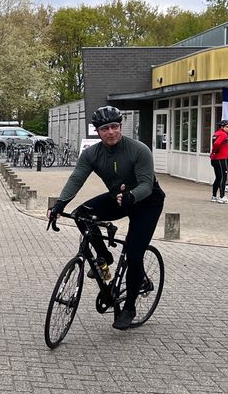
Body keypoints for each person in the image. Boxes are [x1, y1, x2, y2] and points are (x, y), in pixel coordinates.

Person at [47, 106, 166, 330]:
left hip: (147, 202)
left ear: (121, 127)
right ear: (97, 131)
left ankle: (129, 307)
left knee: (134, 255)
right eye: (105, 129)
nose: (110, 132)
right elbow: (76, 179)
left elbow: (146, 185)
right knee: (82, 215)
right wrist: (59, 205)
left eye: (114, 127)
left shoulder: (138, 150)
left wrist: (132, 196)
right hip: (119, 198)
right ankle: (104, 258)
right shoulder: (92, 154)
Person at [210, 119, 228, 204]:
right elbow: (216, 144)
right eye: (227, 127)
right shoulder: (223, 134)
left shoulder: (216, 133)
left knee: (218, 177)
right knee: (223, 177)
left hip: (215, 159)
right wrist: (215, 151)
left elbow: (221, 145)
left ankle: (214, 196)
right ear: (222, 127)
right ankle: (222, 196)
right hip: (221, 159)